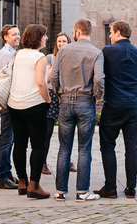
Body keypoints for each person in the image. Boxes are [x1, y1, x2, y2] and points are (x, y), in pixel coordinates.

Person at [50, 18, 103, 202]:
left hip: (65, 100)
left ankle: (60, 191)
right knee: (84, 149)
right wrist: (97, 96)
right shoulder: (96, 53)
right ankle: (82, 191)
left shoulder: (63, 50)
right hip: (85, 101)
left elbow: (53, 76)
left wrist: (59, 93)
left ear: (76, 32)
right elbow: (99, 80)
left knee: (64, 148)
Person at [93, 20, 137, 199]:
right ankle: (131, 187)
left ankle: (110, 187)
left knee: (107, 146)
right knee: (132, 147)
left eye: (111, 32)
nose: (109, 35)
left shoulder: (108, 51)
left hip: (114, 104)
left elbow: (100, 75)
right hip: (133, 105)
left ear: (118, 32)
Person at [7, 24, 51, 199]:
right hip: (33, 104)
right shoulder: (39, 57)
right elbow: (41, 82)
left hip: (14, 104)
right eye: (45, 35)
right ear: (38, 37)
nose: (46, 38)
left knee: (19, 144)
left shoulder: (17, 54)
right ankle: (34, 185)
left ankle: (22, 182)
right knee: (38, 145)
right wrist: (47, 99)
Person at [43, 32, 77, 176]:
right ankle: (43, 163)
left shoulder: (72, 58)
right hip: (51, 96)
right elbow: (47, 78)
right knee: (47, 131)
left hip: (65, 96)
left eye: (64, 41)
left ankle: (67, 161)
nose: (61, 44)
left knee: (66, 132)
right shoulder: (49, 58)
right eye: (59, 42)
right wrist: (58, 61)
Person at [0, 25, 20, 190]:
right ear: (5, 37)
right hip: (7, 105)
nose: (17, 36)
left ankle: (7, 172)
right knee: (5, 140)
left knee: (9, 140)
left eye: (18, 34)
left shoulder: (11, 52)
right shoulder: (5, 54)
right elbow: (10, 77)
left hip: (10, 104)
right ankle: (1, 176)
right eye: (14, 34)